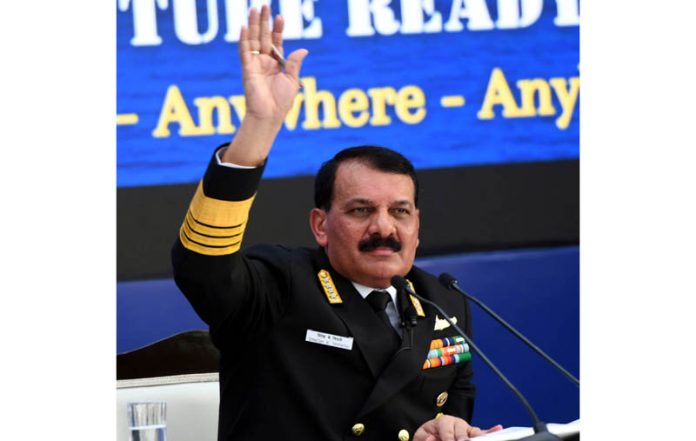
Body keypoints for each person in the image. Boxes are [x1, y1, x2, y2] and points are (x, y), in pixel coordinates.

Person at [172, 5, 502, 441]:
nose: (384, 228)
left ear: (417, 227)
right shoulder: (279, 286)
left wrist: (449, 429)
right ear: (320, 225)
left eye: (399, 211)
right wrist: (259, 125)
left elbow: (452, 414)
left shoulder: (443, 303)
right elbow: (203, 267)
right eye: (361, 210)